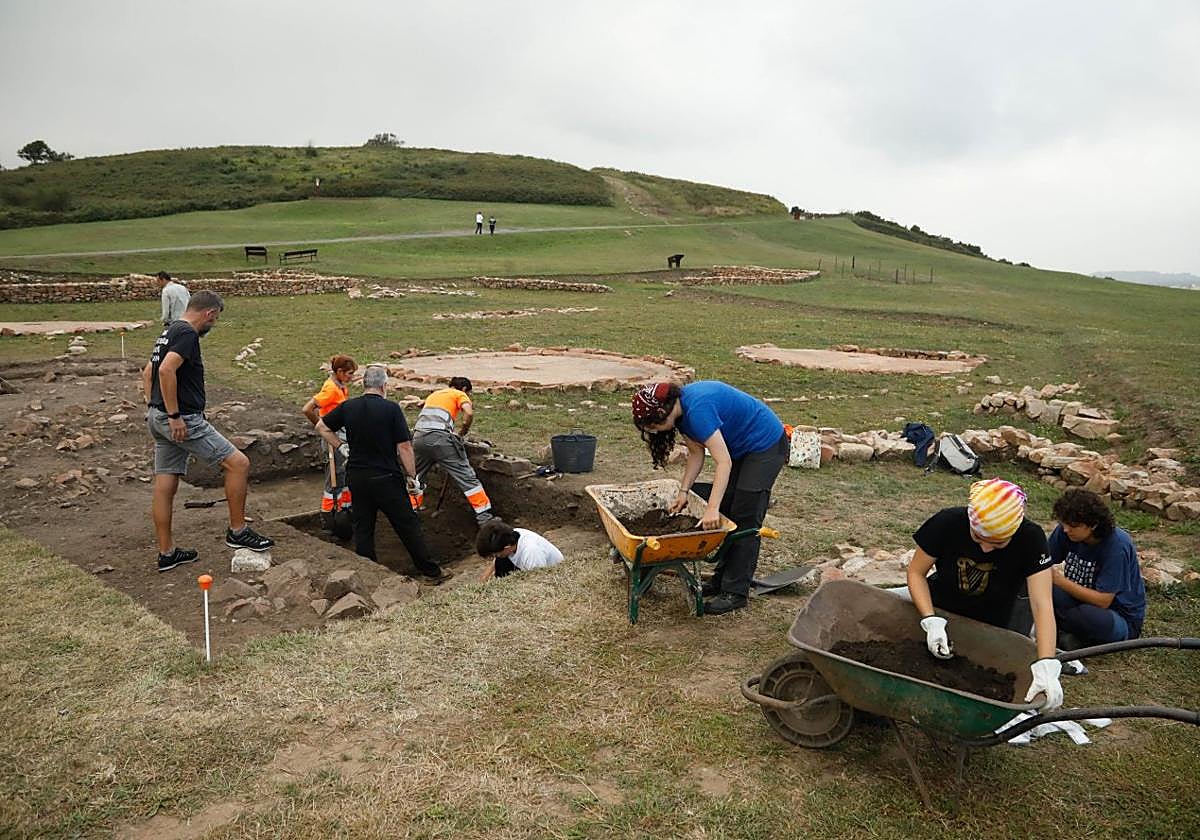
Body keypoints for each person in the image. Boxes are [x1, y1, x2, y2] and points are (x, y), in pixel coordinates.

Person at [142, 290, 274, 572]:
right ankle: (238, 532)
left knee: (166, 484)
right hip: (180, 419)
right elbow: (165, 371)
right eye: (215, 320)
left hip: (157, 416)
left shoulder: (168, 331)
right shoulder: (187, 333)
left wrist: (154, 407)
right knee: (238, 464)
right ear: (210, 313)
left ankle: (167, 553)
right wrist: (174, 415)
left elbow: (147, 372)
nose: (212, 325)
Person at [631, 381, 789, 615]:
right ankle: (720, 580)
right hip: (741, 449)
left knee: (745, 515)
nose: (654, 429)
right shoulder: (682, 412)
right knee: (731, 507)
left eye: (654, 424)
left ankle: (735, 592)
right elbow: (696, 453)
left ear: (664, 410)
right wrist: (684, 492)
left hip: (764, 445)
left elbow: (723, 462)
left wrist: (712, 508)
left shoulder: (697, 410)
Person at [904, 478, 1063, 709]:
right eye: (978, 538)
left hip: (993, 621)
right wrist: (930, 619)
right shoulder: (947, 522)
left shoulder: (1031, 538)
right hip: (940, 606)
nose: (985, 548)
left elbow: (1042, 604)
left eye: (997, 544)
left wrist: (1047, 663)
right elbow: (916, 573)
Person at [315, 365, 446, 580]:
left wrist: (340, 446)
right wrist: (412, 477)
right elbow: (404, 447)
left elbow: (321, 427)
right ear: (384, 385)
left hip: (357, 477)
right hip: (386, 478)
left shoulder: (349, 407)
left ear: (365, 384)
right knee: (407, 525)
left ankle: (369, 575)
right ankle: (432, 572)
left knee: (364, 527)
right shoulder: (391, 409)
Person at [1048, 488, 1146, 647]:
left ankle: (1063, 629)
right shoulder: (1066, 532)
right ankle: (1067, 632)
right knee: (1039, 584)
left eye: (1073, 525)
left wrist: (1059, 580)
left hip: (1117, 615)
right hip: (1077, 601)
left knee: (1087, 617)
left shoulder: (1117, 546)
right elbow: (1043, 560)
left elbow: (1103, 601)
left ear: (1092, 524)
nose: (1066, 529)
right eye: (1063, 523)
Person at [410, 376, 495, 524]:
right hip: (440, 440)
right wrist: (461, 433)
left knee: (416, 477)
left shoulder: (435, 394)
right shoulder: (459, 394)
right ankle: (485, 518)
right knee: (466, 477)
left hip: (418, 438)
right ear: (463, 389)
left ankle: (411, 512)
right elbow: (468, 413)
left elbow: (421, 405)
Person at [302, 354, 358, 534]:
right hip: (333, 434)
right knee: (334, 476)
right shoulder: (331, 390)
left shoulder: (341, 387)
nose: (351, 377)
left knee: (343, 473)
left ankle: (346, 508)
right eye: (349, 374)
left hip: (341, 432)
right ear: (339, 372)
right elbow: (307, 409)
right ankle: (328, 516)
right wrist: (321, 425)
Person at [475, 519, 563, 581]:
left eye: (495, 554)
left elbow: (539, 582)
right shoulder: (510, 534)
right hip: (522, 564)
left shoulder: (531, 552)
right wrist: (484, 578)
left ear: (507, 547)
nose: (495, 557)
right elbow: (497, 557)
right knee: (500, 561)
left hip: (553, 576)